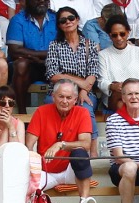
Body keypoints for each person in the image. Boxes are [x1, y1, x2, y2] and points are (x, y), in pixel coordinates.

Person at [26, 79, 96, 203]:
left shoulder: (82, 113)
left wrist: (60, 144)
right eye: (61, 96)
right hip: (45, 170)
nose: (65, 101)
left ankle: (84, 201)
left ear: (75, 99)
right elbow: (29, 146)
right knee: (25, 190)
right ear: (53, 97)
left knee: (80, 153)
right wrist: (34, 167)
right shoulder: (41, 111)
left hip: (70, 171)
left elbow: (86, 144)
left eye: (69, 97)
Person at [45, 6, 100, 152]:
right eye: (63, 20)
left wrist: (83, 90)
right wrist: (77, 81)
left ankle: (93, 152)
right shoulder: (54, 46)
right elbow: (53, 74)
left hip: (85, 91)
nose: (68, 22)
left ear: (77, 20)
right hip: (60, 90)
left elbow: (93, 73)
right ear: (59, 25)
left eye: (71, 18)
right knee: (50, 105)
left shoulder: (90, 45)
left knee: (86, 109)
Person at [5, 0, 57, 114]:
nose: (42, 1)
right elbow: (15, 51)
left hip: (52, 65)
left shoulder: (56, 18)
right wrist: (44, 55)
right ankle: (22, 113)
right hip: (29, 66)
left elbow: (63, 49)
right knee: (21, 64)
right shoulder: (18, 20)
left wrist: (36, 56)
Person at [97, 14, 139, 112]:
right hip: (114, 96)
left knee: (123, 103)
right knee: (120, 99)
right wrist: (112, 86)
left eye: (122, 34)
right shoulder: (103, 55)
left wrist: (130, 89)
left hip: (136, 97)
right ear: (109, 35)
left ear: (128, 33)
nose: (119, 38)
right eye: (114, 35)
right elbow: (102, 81)